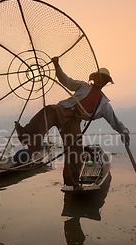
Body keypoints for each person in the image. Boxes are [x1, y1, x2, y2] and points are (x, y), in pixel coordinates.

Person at [14, 57, 129, 191]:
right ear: (95, 78)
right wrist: (57, 66)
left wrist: (124, 131)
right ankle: (28, 137)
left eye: (103, 80)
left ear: (105, 83)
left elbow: (114, 120)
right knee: (49, 110)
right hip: (63, 110)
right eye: (99, 78)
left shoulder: (104, 103)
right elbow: (66, 81)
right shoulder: (83, 86)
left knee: (76, 152)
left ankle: (72, 184)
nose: (100, 81)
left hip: (74, 122)